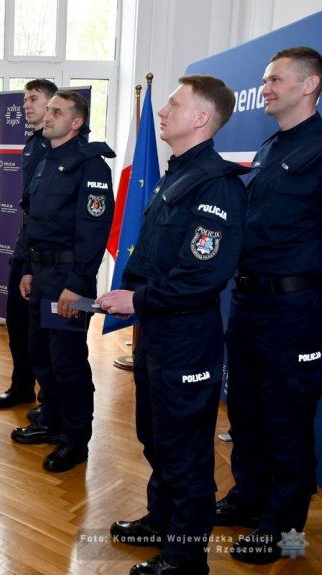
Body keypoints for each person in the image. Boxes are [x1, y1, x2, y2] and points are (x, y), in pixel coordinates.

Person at [98, 75, 248, 575]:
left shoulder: (216, 184)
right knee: (156, 437)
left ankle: (186, 558)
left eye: (174, 104)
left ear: (202, 118)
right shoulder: (176, 174)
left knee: (185, 452)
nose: (162, 112)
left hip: (186, 337)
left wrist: (136, 297)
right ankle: (161, 522)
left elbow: (202, 274)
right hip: (158, 333)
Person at [215, 46, 322, 565]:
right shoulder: (268, 148)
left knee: (286, 421)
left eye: (276, 79)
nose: (267, 87)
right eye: (266, 79)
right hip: (250, 301)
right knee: (248, 412)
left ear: (310, 85)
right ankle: (249, 497)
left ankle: (283, 529)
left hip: (297, 309)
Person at [13, 90, 114, 472]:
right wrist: (25, 268)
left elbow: (94, 227)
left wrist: (78, 282)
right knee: (42, 353)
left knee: (68, 360)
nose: (48, 115)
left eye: (57, 111)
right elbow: (30, 219)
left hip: (68, 280)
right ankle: (52, 418)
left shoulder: (91, 165)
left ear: (77, 122)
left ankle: (76, 439)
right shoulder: (43, 159)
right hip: (40, 274)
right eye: (48, 109)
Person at [0, 79, 57, 419]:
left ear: (53, 104)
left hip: (47, 253)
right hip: (24, 246)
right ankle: (21, 386)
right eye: (25, 99)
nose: (26, 105)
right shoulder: (32, 144)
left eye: (33, 99)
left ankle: (50, 398)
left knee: (43, 331)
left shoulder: (57, 146)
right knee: (17, 324)